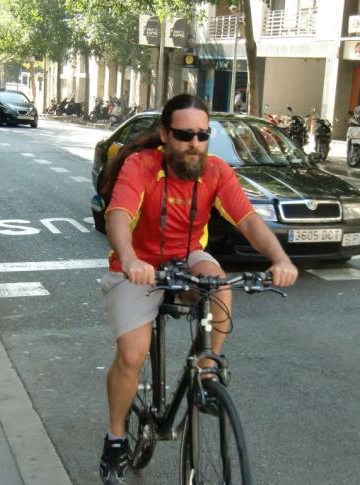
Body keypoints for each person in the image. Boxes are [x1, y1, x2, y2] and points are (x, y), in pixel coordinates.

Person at [97, 93, 298, 484]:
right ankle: (117, 438)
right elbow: (119, 215)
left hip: (186, 254)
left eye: (202, 135)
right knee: (133, 354)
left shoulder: (217, 171)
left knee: (220, 286)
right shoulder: (142, 165)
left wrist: (280, 259)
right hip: (135, 265)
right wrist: (132, 259)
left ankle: (207, 370)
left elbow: (249, 221)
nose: (194, 143)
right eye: (184, 134)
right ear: (165, 134)